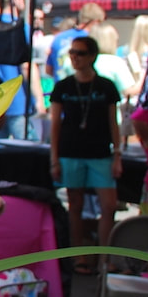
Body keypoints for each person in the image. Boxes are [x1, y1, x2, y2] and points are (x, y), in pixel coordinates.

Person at [48, 35, 123, 274]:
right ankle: (77, 255)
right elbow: (55, 125)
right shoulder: (63, 86)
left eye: (80, 53)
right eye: (72, 53)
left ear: (92, 56)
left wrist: (118, 154)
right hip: (71, 152)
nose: (74, 57)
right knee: (75, 205)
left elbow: (114, 123)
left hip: (100, 153)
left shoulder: (106, 86)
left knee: (108, 205)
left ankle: (104, 256)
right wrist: (54, 158)